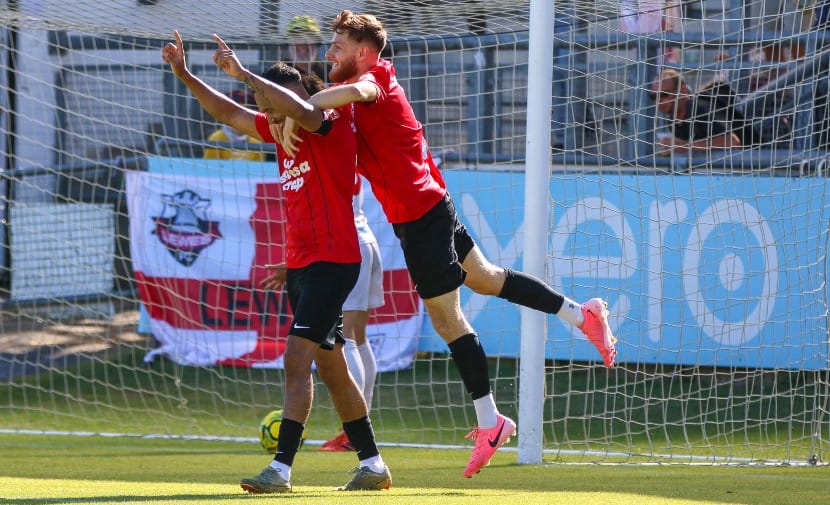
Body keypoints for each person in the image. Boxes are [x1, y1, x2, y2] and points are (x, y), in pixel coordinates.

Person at [281, 10, 618, 479]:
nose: (327, 52)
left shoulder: (373, 78)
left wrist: (312, 100)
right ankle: (584, 315)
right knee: (487, 279)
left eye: (336, 46)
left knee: (446, 317)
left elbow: (355, 93)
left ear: (362, 52)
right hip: (427, 207)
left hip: (422, 216)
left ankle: (491, 422)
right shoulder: (351, 99)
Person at [161, 30, 391, 493]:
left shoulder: (327, 123)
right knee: (331, 368)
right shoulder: (281, 123)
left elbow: (303, 111)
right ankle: (373, 464)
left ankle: (281, 469)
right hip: (303, 264)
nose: (266, 117)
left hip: (334, 260)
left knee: (295, 359)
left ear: (296, 93)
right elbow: (229, 113)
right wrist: (184, 73)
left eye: (271, 105)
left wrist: (243, 71)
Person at [320, 175, 384, 452]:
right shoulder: (348, 142)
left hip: (349, 243)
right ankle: (359, 425)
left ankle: (352, 430)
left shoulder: (328, 145)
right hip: (366, 238)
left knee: (347, 337)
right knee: (359, 337)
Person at [650, 68, 743, 154]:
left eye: (664, 94)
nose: (658, 101)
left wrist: (684, 146)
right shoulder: (672, 119)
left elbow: (733, 141)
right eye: (654, 97)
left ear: (682, 90)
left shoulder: (700, 108)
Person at [202, 89, 265, 161]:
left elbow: (260, 168)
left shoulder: (256, 141)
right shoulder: (216, 138)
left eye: (247, 111)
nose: (242, 116)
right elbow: (209, 166)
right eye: (237, 111)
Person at [286, 15, 327, 82]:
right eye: (297, 37)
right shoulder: (276, 73)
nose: (303, 49)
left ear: (317, 45)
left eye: (309, 37)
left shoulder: (329, 72)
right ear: (288, 45)